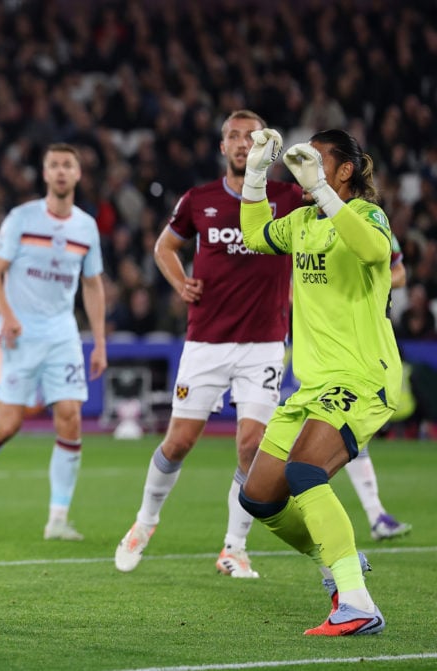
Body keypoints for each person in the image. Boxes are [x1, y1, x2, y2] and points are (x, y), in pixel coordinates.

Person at [114, 110, 302, 577]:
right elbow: (164, 248)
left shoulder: (289, 198)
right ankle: (145, 521)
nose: (243, 144)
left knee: (251, 446)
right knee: (178, 443)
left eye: (252, 137)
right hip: (206, 342)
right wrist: (180, 284)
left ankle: (234, 548)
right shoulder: (199, 200)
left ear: (267, 147)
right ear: (223, 147)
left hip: (262, 344)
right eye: (234, 137)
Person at [239, 127, 399, 635]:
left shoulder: (367, 215)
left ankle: (356, 602)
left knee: (306, 472)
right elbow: (255, 235)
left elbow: (376, 253)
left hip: (361, 375)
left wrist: (327, 195)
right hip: (313, 386)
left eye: (315, 159)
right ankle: (336, 559)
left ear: (344, 170)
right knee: (259, 496)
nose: (302, 166)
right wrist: (255, 176)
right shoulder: (303, 221)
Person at [0, 142, 107, 541]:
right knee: (8, 425)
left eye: (67, 165)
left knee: (70, 417)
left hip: (62, 334)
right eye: (53, 164)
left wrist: (100, 342)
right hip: (19, 335)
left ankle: (57, 518)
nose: (60, 171)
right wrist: (10, 316)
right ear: (44, 172)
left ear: (77, 174)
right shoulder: (21, 219)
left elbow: (92, 285)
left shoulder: (86, 227)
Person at [343, 243, 412, 541]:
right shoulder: (312, 224)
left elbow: (400, 273)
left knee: (354, 428)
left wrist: (374, 279)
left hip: (367, 340)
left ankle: (376, 515)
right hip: (331, 339)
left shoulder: (374, 224)